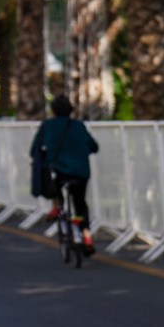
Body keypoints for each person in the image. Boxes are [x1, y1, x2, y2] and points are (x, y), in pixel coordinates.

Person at [30, 95, 99, 255]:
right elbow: (94, 147)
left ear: (53, 110)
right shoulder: (79, 126)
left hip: (58, 170)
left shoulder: (47, 125)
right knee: (80, 203)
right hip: (81, 171)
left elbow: (34, 150)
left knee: (57, 188)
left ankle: (57, 208)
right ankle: (87, 236)